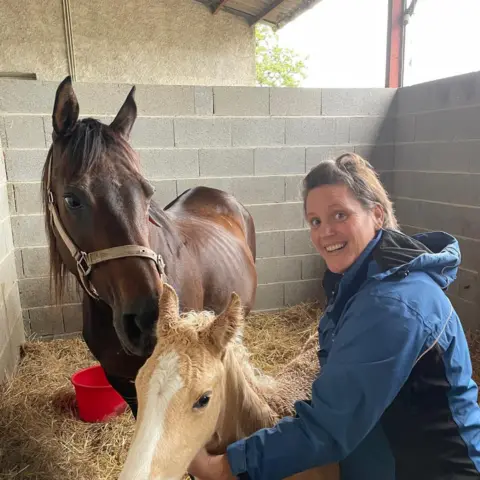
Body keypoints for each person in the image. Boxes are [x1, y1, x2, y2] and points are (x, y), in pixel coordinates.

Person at [188, 152, 480, 480]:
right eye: (315, 221)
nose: (325, 232)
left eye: (339, 215)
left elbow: (327, 429)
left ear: (377, 215)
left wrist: (223, 467)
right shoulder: (363, 281)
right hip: (381, 449)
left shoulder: (392, 304)